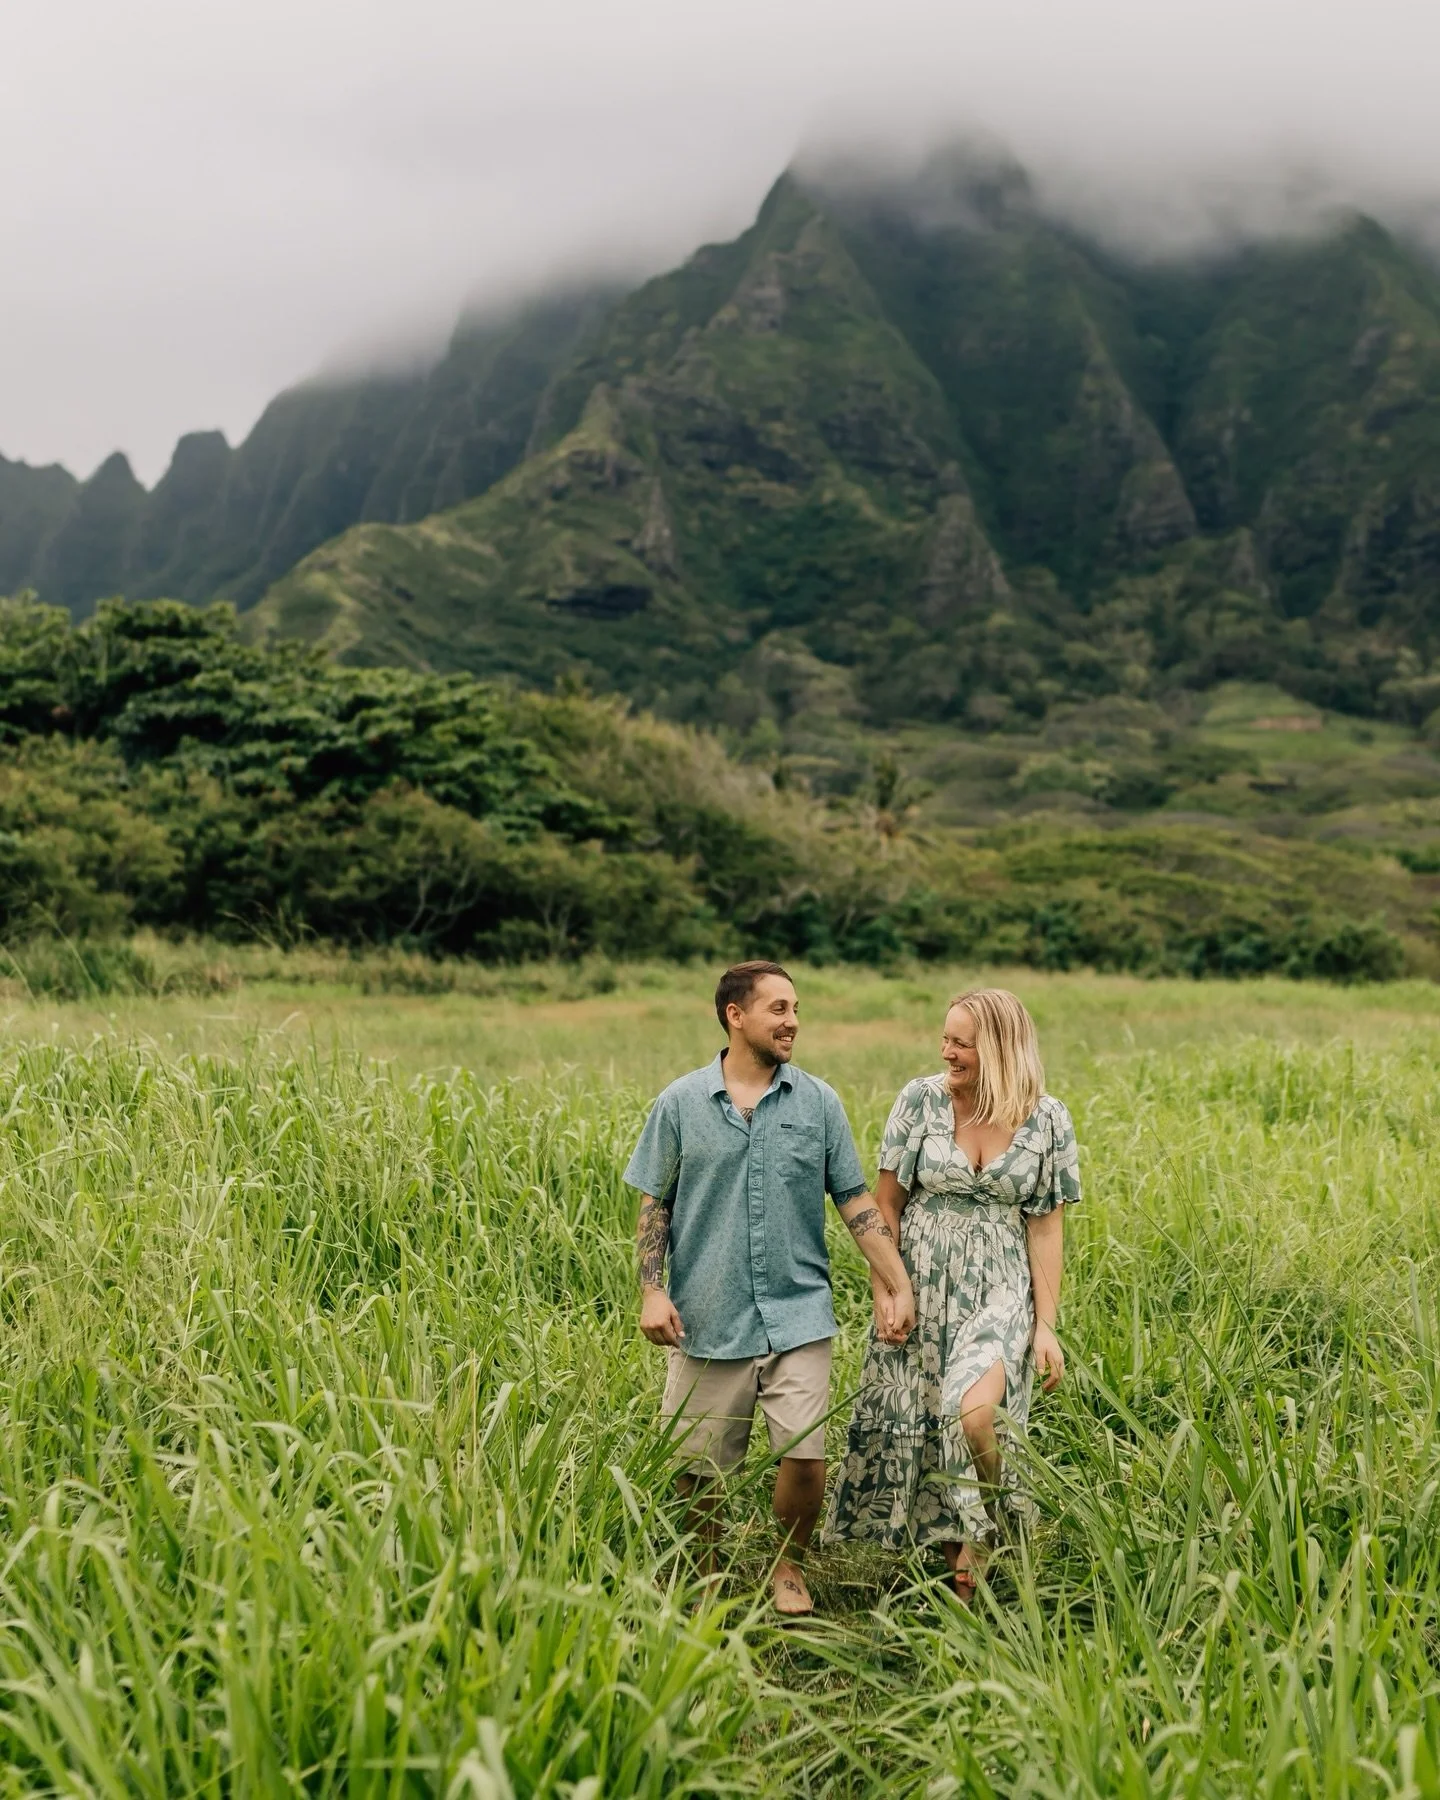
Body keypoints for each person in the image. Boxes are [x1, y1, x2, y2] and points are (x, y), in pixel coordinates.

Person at [625, 960, 917, 1617]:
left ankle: (788, 1565)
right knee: (698, 1467)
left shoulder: (818, 1101)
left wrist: (897, 1284)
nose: (793, 1021)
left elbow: (854, 1201)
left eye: (795, 1008)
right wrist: (652, 1289)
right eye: (778, 1008)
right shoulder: (679, 1104)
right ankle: (705, 1566)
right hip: (707, 1312)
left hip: (798, 1310)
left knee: (805, 1456)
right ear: (736, 1015)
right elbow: (655, 1205)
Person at [824, 987, 1081, 1602]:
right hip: (920, 1280)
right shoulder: (920, 1100)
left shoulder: (1047, 1118)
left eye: (960, 1042)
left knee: (975, 1414)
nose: (947, 1052)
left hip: (999, 1286)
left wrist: (1046, 1327)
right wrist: (889, 1290)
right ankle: (957, 1568)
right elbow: (886, 1205)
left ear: (996, 1047)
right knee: (926, 1413)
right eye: (945, 1039)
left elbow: (1045, 1226)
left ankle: (992, 1526)